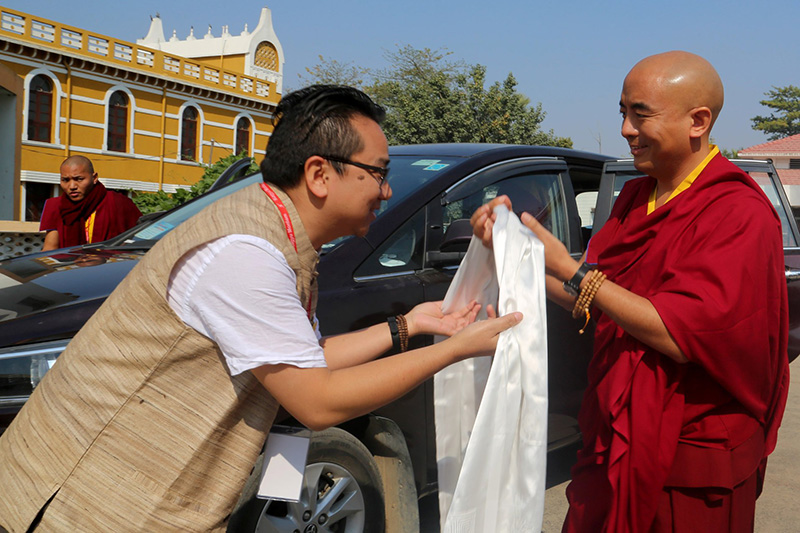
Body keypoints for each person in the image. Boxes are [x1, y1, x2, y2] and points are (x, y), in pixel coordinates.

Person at [0, 86, 521, 532]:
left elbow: (303, 356)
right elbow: (317, 401)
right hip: (87, 501)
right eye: (378, 173)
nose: (385, 190)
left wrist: (409, 325)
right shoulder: (246, 252)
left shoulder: (280, 234)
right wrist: (456, 349)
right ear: (320, 174)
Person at [472, 51, 789, 532]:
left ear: (697, 121)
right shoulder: (637, 197)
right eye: (622, 111)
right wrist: (518, 255)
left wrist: (572, 271)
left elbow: (680, 336)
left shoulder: (737, 210)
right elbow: (602, 304)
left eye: (640, 113)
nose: (625, 128)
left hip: (690, 453)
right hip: (616, 430)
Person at [39, 155, 142, 251]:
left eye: (79, 179)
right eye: (65, 180)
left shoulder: (118, 202)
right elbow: (50, 249)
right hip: (70, 267)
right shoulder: (56, 206)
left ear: (94, 178)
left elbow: (138, 241)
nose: (72, 186)